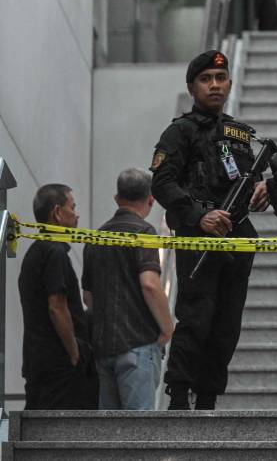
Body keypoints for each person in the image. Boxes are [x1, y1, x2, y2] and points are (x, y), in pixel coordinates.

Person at [150, 50, 269, 410]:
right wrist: (199, 215)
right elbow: (162, 184)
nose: (215, 85)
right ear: (192, 87)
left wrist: (263, 192)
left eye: (220, 78)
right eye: (206, 79)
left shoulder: (239, 133)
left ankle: (208, 397)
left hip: (237, 237)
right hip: (199, 238)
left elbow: (248, 180)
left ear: (229, 84)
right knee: (196, 317)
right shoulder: (179, 132)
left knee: (227, 325)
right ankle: (179, 393)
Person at [82, 169, 173, 410]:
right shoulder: (144, 233)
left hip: (103, 347)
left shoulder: (95, 237)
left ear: (116, 198)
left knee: (108, 432)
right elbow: (150, 284)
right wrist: (167, 329)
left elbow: (88, 297)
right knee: (138, 431)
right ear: (151, 200)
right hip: (138, 344)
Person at [19, 184, 98, 409]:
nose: (77, 214)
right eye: (72, 207)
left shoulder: (35, 253)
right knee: (60, 436)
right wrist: (74, 353)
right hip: (59, 365)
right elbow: (57, 307)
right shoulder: (54, 254)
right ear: (57, 212)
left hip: (37, 360)